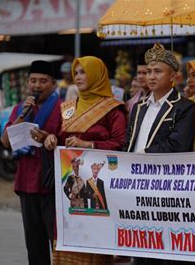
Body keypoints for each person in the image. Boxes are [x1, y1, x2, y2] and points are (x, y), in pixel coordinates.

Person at [44, 56, 127, 264]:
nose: (78, 77)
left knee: (95, 241)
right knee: (66, 235)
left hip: (99, 189)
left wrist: (88, 145)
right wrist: (50, 138)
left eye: (84, 72)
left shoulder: (113, 109)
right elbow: (54, 134)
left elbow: (120, 143)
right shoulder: (67, 107)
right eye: (77, 72)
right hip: (68, 186)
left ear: (98, 75)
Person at [0, 60, 62, 265]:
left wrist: (48, 138)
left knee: (58, 242)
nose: (37, 85)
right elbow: (6, 142)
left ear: (53, 83)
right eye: (33, 80)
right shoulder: (20, 108)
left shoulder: (63, 109)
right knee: (34, 245)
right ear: (27, 83)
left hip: (52, 184)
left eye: (43, 81)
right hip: (27, 183)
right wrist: (21, 116)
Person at [124, 43, 195, 153]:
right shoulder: (138, 107)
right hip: (132, 168)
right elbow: (128, 143)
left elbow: (178, 145)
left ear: (172, 76)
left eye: (158, 71)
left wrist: (144, 154)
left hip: (163, 169)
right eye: (149, 71)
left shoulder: (184, 107)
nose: (151, 77)